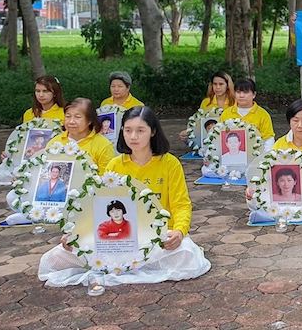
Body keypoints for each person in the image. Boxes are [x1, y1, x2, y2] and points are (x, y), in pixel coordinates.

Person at [38, 106, 211, 286]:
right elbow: (97, 206)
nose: (133, 136)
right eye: (128, 130)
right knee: (54, 259)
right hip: (119, 239)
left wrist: (179, 231)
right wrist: (76, 234)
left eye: (140, 130)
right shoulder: (115, 165)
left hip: (157, 237)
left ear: (152, 132)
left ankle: (133, 266)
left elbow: (181, 204)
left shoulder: (169, 163)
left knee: (187, 254)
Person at [246, 100, 302, 222]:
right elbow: (267, 174)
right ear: (289, 121)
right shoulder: (280, 144)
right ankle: (300, 216)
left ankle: (270, 216)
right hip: (282, 197)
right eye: (295, 120)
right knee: (251, 199)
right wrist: (252, 189)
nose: (299, 125)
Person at [218, 78, 275, 149]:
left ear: (254, 94)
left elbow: (268, 139)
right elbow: (219, 136)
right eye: (238, 92)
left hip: (255, 156)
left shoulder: (263, 114)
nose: (241, 95)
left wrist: (265, 157)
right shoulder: (226, 113)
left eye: (245, 92)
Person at [179, 72, 236, 141]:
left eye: (221, 84)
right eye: (215, 84)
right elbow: (199, 123)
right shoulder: (206, 102)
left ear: (227, 86)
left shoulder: (235, 102)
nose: (217, 87)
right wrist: (187, 132)